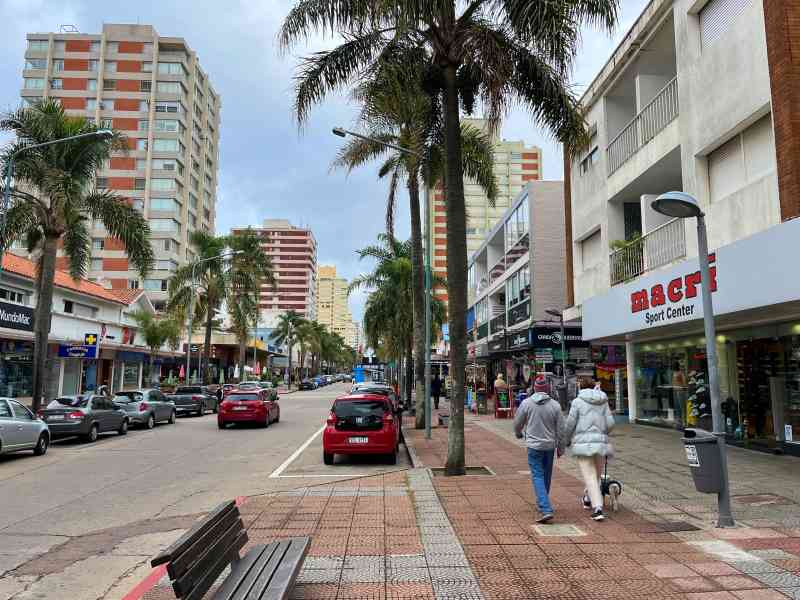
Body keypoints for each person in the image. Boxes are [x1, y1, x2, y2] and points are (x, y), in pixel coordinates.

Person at [563, 376, 615, 522]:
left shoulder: (577, 402)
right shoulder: (603, 402)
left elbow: (570, 424)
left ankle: (598, 508)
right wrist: (602, 433)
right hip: (600, 444)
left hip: (583, 444)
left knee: (590, 476)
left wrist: (566, 440)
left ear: (581, 387)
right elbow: (610, 423)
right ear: (593, 387)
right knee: (596, 476)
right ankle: (587, 498)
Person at [514, 376, 564, 523]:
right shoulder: (555, 405)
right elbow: (561, 429)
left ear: (534, 388)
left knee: (537, 475)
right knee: (546, 475)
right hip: (549, 446)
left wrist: (518, 433)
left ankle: (545, 507)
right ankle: (543, 503)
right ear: (547, 389)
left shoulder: (526, 404)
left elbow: (518, 423)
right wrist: (561, 447)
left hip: (534, 446)